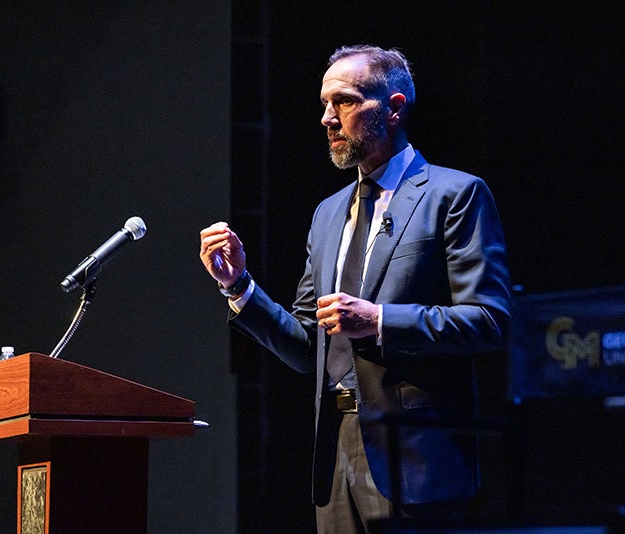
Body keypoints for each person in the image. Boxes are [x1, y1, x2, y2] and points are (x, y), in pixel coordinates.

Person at [199, 44, 511, 533]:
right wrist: (239, 285)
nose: (327, 118)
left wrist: (380, 321)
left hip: (415, 454)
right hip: (336, 452)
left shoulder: (454, 194)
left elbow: (490, 321)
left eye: (343, 101)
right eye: (324, 104)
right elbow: (309, 346)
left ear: (393, 107)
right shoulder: (327, 214)